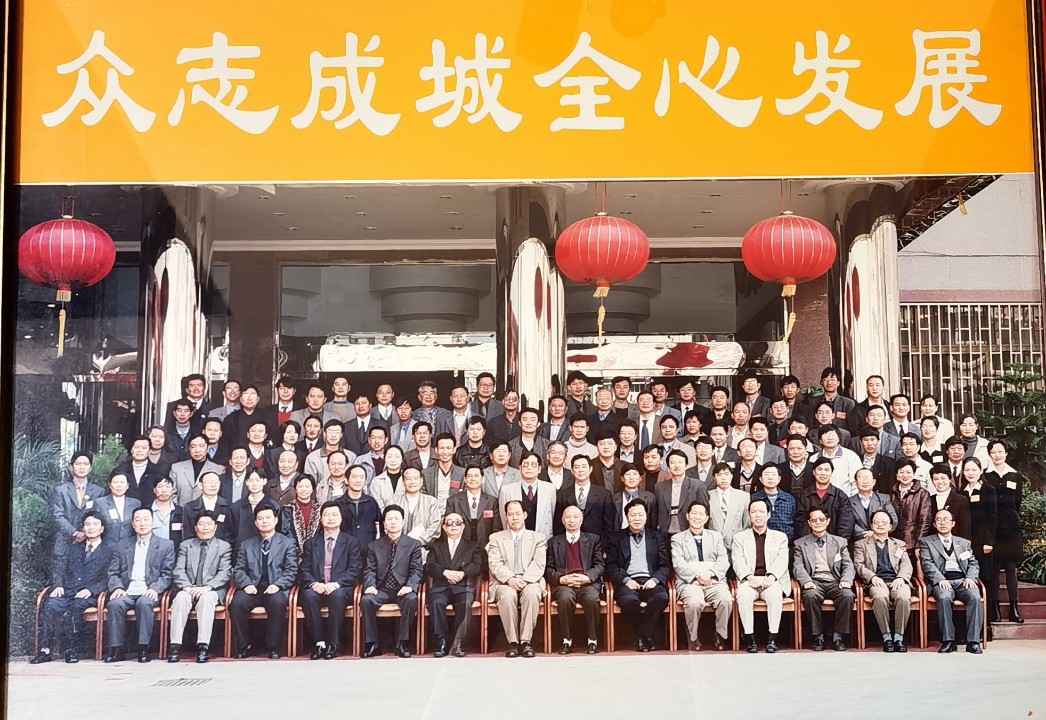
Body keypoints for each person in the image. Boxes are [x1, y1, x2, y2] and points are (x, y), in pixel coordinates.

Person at [31, 510, 115, 664]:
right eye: (87, 524)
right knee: (49, 604)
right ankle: (45, 650)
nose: (91, 527)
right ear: (83, 528)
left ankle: (71, 650)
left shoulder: (109, 551)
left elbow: (109, 577)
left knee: (76, 607)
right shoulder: (74, 548)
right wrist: (58, 585)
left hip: (90, 595)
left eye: (95, 524)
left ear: (102, 528)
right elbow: (59, 568)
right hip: (68, 591)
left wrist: (91, 590)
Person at [104, 508, 176, 663]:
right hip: (127, 590)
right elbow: (113, 571)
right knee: (114, 604)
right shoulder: (123, 545)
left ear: (153, 522)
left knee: (144, 603)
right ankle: (116, 649)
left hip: (149, 590)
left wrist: (155, 588)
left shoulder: (166, 545)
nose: (142, 523)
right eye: (138, 520)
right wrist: (117, 587)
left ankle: (143, 648)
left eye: (146, 519)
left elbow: (167, 574)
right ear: (133, 524)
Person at [229, 505, 299, 659]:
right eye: (260, 518)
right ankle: (243, 645)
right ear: (255, 522)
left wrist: (277, 585)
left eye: (268, 518)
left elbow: (291, 570)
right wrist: (247, 584)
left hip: (275, 586)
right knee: (237, 603)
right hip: (252, 587)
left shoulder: (287, 543)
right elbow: (239, 570)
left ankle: (273, 647)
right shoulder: (246, 545)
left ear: (275, 520)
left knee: (278, 602)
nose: (264, 521)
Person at [166, 510, 232, 663]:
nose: (205, 527)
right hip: (189, 588)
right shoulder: (186, 546)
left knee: (206, 599)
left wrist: (207, 587)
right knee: (181, 598)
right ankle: (175, 645)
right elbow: (179, 570)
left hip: (212, 589)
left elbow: (225, 572)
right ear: (195, 527)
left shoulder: (224, 547)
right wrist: (188, 587)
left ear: (215, 527)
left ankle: (203, 646)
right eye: (201, 524)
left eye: (209, 524)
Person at [298, 501, 361, 660]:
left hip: (340, 587)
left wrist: (336, 583)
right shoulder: (311, 543)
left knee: (337, 595)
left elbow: (355, 569)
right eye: (326, 515)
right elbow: (304, 569)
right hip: (317, 587)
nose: (330, 518)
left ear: (341, 518)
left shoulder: (351, 542)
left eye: (334, 515)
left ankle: (333, 644)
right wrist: (314, 584)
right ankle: (319, 643)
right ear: (320, 519)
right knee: (308, 595)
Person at [605, 499, 670, 652]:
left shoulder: (657, 537)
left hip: (651, 580)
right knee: (628, 601)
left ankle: (642, 635)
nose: (637, 518)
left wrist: (655, 579)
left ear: (646, 516)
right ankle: (647, 636)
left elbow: (665, 565)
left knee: (662, 597)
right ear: (627, 517)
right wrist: (626, 579)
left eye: (640, 514)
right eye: (633, 515)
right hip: (628, 581)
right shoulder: (615, 538)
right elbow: (610, 566)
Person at [361, 505, 424, 658]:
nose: (393, 522)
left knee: (411, 599)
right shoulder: (374, 546)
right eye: (389, 519)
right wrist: (370, 585)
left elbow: (416, 570)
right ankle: (373, 644)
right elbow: (369, 569)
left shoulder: (413, 544)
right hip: (381, 589)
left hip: (402, 588)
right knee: (366, 600)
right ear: (384, 524)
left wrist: (410, 586)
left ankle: (402, 643)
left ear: (403, 522)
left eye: (396, 519)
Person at [487, 499, 547, 658]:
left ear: (525, 515)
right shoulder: (496, 538)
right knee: (507, 595)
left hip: (530, 580)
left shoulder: (538, 538)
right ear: (505, 516)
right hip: (504, 581)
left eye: (518, 514)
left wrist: (525, 580)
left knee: (532, 593)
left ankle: (525, 642)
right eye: (510, 514)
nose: (514, 518)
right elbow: (495, 564)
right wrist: (510, 579)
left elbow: (539, 564)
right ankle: (512, 642)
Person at [732, 498, 793, 653]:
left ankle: (772, 637)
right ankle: (749, 638)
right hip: (749, 580)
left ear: (768, 514)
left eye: (761, 511)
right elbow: (737, 561)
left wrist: (771, 577)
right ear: (749, 515)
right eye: (754, 512)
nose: (758, 515)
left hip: (772, 580)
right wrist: (749, 577)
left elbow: (782, 561)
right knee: (743, 595)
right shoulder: (739, 538)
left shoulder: (780, 537)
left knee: (774, 594)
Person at [919, 509, 984, 654]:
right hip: (942, 580)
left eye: (946, 520)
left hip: (963, 580)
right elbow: (927, 564)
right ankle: (948, 640)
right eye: (939, 520)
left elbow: (973, 563)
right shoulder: (926, 542)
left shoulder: (964, 543)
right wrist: (940, 579)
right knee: (944, 597)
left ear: (953, 524)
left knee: (975, 597)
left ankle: (973, 642)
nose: (942, 523)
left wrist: (970, 577)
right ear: (934, 524)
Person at [672, 500, 732, 652]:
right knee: (694, 602)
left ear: (706, 518)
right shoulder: (677, 539)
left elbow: (723, 560)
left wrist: (710, 573)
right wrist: (697, 575)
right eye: (694, 513)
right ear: (687, 516)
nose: (697, 517)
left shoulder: (716, 537)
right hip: (690, 582)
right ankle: (693, 637)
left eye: (701, 514)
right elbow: (678, 563)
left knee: (725, 599)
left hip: (714, 581)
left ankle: (721, 635)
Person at [793, 508, 855, 651]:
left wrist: (846, 580)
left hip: (835, 581)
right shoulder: (800, 543)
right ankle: (818, 635)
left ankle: (838, 635)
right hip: (814, 581)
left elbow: (848, 565)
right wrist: (806, 581)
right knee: (810, 596)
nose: (818, 522)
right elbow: (798, 566)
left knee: (847, 595)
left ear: (827, 521)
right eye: (814, 520)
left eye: (821, 519)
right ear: (809, 523)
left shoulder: (840, 542)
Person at [546, 506, 604, 655]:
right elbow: (548, 569)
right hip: (565, 584)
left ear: (581, 520)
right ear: (562, 520)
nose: (571, 520)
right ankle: (567, 641)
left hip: (587, 583)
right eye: (568, 517)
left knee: (591, 598)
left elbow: (600, 565)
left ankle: (592, 641)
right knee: (565, 598)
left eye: (575, 517)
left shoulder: (593, 540)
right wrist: (562, 578)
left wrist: (587, 577)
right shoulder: (553, 542)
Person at [425, 511, 483, 657]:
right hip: (441, 586)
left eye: (457, 523)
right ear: (444, 527)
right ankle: (442, 641)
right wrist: (445, 572)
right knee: (436, 603)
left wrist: (462, 573)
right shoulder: (435, 545)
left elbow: (477, 566)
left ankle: (458, 642)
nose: (453, 526)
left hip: (462, 586)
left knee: (465, 603)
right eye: (449, 523)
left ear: (463, 526)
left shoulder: (473, 546)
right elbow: (429, 566)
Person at [853, 509, 913, 652]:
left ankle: (898, 637)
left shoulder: (899, 544)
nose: (880, 524)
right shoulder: (861, 544)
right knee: (880, 597)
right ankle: (887, 638)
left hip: (896, 580)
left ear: (890, 526)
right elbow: (858, 565)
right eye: (877, 522)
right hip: (875, 581)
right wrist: (872, 577)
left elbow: (906, 564)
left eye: (884, 522)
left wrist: (901, 577)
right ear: (871, 525)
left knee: (903, 597)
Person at [984, 440, 1025, 623]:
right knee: (993, 569)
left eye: (1000, 451)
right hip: (992, 529)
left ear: (1006, 453)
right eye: (994, 452)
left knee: (1010, 568)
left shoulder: (1015, 475)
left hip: (1011, 528)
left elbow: (1017, 502)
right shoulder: (985, 475)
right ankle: (995, 609)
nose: (997, 455)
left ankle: (1014, 609)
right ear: (989, 454)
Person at [961, 457, 999, 618]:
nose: (970, 473)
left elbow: (993, 517)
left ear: (981, 471)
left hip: (983, 543)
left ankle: (987, 619)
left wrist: (989, 541)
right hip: (966, 543)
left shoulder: (989, 490)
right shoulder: (962, 492)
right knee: (968, 578)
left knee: (985, 578)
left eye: (974, 469)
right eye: (967, 470)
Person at [51, 451, 105, 557]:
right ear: (71, 467)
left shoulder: (99, 491)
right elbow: (57, 516)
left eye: (86, 464)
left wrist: (86, 533)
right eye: (78, 464)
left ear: (90, 468)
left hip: (90, 543)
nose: (82, 467)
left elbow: (99, 516)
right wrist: (74, 533)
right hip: (65, 543)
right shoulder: (61, 490)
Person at [554, 455, 616, 539]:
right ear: (572, 470)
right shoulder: (562, 494)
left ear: (590, 469)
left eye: (584, 466)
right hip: (569, 541)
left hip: (597, 542)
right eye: (577, 467)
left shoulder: (604, 494)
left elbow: (609, 525)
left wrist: (604, 544)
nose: (580, 470)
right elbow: (558, 523)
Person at [890, 458, 933, 574]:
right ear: (897, 475)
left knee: (913, 574)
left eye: (908, 472)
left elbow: (925, 520)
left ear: (914, 474)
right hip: (894, 542)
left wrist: (919, 544)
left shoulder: (922, 493)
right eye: (901, 472)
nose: (905, 475)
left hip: (913, 543)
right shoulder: (891, 493)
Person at [498, 451, 554, 538]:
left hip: (543, 539)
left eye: (533, 465)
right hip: (515, 539)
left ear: (539, 469)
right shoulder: (507, 490)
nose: (529, 468)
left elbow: (553, 514)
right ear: (520, 468)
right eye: (526, 465)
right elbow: (504, 519)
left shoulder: (550, 489)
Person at [795, 458, 854, 540]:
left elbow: (846, 524)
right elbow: (799, 523)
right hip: (808, 542)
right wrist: (808, 542)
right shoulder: (803, 495)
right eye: (819, 469)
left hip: (834, 542)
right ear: (814, 472)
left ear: (831, 473)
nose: (823, 473)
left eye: (827, 470)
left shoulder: (840, 496)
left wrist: (838, 543)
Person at [654, 449, 710, 534]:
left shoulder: (698, 486)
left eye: (680, 462)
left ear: (686, 465)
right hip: (665, 534)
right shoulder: (659, 487)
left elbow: (705, 512)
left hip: (689, 533)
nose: (676, 466)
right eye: (673, 463)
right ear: (668, 467)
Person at [446, 464, 499, 547]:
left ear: (482, 479)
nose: (473, 479)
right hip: (460, 547)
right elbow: (448, 527)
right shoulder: (453, 501)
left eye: (476, 476)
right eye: (469, 476)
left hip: (485, 546)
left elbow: (496, 529)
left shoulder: (492, 501)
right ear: (465, 479)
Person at [393, 466, 443, 550]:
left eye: (415, 478)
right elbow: (389, 525)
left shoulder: (431, 502)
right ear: (403, 482)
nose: (412, 482)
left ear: (421, 480)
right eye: (408, 479)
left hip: (424, 549)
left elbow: (435, 527)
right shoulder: (394, 502)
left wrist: (418, 542)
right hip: (398, 549)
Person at [178, 471, 235, 545]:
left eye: (216, 482)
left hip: (222, 549)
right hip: (196, 548)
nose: (213, 485)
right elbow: (188, 534)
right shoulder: (189, 507)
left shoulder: (229, 506)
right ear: (200, 485)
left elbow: (231, 534)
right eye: (209, 482)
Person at [335, 464, 383, 550]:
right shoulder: (338, 504)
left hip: (368, 551)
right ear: (346, 480)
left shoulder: (371, 502)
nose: (358, 480)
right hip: (344, 551)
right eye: (355, 477)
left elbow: (380, 526)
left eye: (361, 477)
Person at [169, 435, 223, 506]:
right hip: (181, 510)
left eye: (201, 446)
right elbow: (171, 493)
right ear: (189, 448)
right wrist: (179, 509)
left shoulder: (218, 469)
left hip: (206, 511)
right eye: (193, 447)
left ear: (207, 448)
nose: (197, 450)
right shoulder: (177, 468)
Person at [707, 462, 751, 548]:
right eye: (719, 475)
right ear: (714, 477)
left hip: (736, 544)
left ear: (732, 476)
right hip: (714, 544)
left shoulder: (743, 496)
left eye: (727, 474)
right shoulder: (708, 495)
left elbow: (747, 524)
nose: (723, 478)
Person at [848, 468, 898, 541]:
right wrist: (864, 534)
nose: (865, 481)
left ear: (874, 482)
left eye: (867, 478)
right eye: (861, 478)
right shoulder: (849, 501)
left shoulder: (884, 499)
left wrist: (877, 532)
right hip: (858, 540)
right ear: (855, 482)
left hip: (881, 539)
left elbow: (893, 520)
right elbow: (848, 522)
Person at [113, 435, 168, 503]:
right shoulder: (120, 470)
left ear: (150, 451)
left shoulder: (159, 472)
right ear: (131, 450)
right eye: (136, 447)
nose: (140, 450)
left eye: (144, 448)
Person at [751, 465, 798, 542]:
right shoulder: (754, 498)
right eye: (766, 474)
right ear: (760, 479)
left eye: (773, 474)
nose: (770, 477)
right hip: (760, 541)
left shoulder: (789, 498)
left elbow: (795, 521)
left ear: (779, 479)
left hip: (786, 543)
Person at [95, 471, 141, 546]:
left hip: (130, 546)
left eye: (122, 482)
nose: (119, 485)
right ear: (110, 485)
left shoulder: (136, 504)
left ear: (127, 486)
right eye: (116, 482)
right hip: (107, 546)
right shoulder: (100, 503)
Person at [928, 464, 972, 540]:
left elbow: (965, 527)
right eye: (936, 479)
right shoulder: (929, 500)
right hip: (933, 542)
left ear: (949, 479)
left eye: (943, 478)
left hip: (956, 542)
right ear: (932, 481)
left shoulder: (961, 500)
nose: (940, 482)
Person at [280, 474, 320, 555]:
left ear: (312, 489)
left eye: (307, 486)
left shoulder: (319, 509)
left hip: (316, 552)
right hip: (292, 553)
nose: (303, 489)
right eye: (300, 486)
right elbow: (285, 532)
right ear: (295, 488)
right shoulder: (287, 509)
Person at [421, 435, 464, 508]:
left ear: (454, 450)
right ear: (436, 450)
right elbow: (423, 499)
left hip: (455, 512)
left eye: (448, 448)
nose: (445, 452)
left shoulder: (462, 473)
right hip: (432, 511)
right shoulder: (426, 474)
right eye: (442, 448)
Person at [613, 463, 657, 531]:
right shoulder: (614, 498)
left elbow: (653, 523)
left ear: (640, 478)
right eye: (628, 474)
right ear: (622, 478)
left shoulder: (650, 498)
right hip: (619, 535)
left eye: (634, 474)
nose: (631, 477)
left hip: (644, 535)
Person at [370, 444, 406, 508]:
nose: (393, 460)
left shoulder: (408, 478)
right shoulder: (376, 481)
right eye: (389, 457)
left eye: (397, 457)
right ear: (384, 458)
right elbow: (376, 504)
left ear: (402, 459)